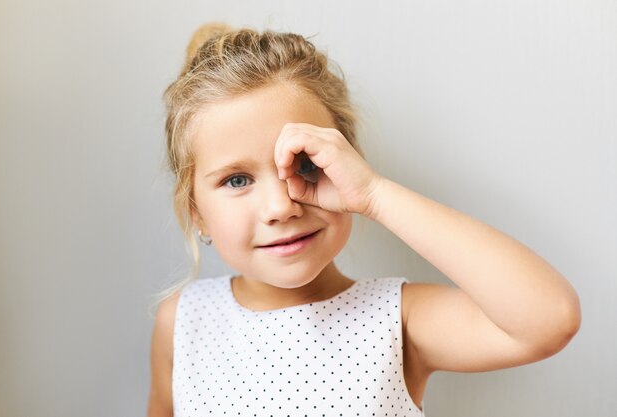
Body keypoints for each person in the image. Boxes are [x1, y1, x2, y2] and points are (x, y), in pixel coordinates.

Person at [147, 23, 581, 417]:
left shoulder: (398, 320)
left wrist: (375, 195)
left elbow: (550, 318)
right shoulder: (183, 321)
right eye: (238, 179)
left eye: (303, 163)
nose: (281, 206)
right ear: (196, 212)